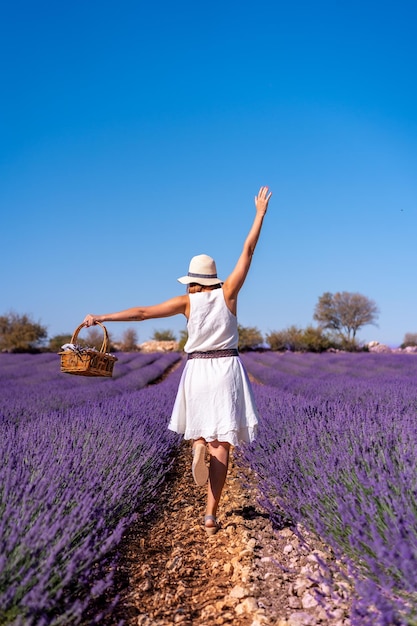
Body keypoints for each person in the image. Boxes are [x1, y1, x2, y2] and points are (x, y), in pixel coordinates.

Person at [84, 185, 272, 536]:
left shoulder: (187, 303)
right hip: (226, 368)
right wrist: (259, 214)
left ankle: (197, 444)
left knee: (200, 428)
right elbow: (248, 251)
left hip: (197, 369)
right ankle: (211, 514)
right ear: (213, 279)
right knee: (223, 444)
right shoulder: (228, 293)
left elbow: (141, 313)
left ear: (191, 282)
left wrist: (103, 317)